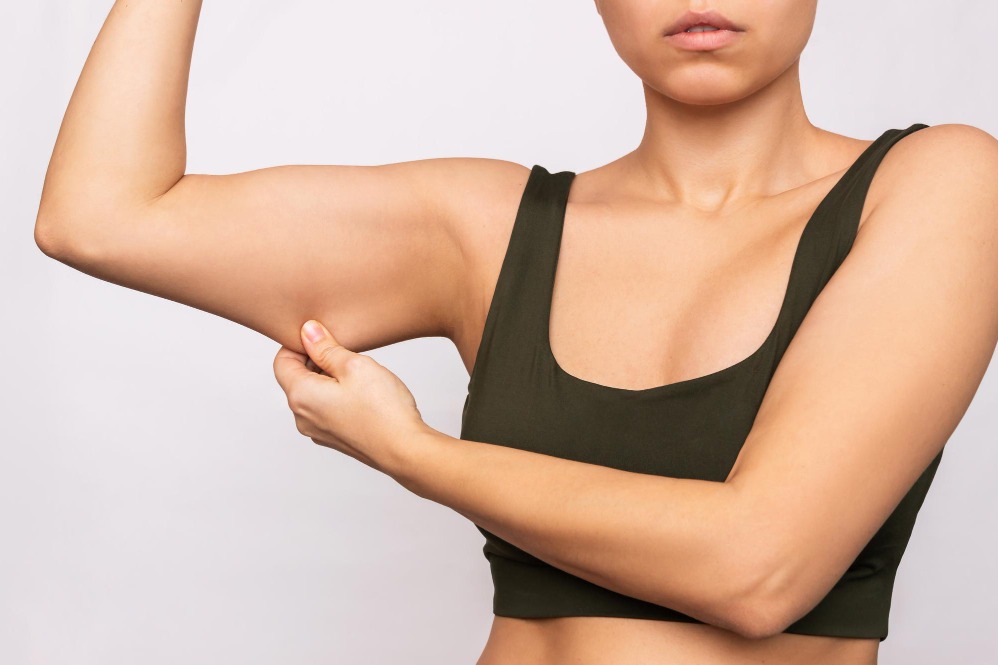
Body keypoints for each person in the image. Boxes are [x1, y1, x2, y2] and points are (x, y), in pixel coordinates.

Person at [34, 1, 998, 663]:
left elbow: (758, 568)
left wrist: (414, 453)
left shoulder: (940, 186)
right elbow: (101, 216)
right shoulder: (489, 231)